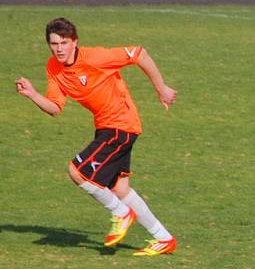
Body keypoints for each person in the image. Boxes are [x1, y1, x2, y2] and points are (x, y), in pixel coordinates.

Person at [15, 17, 177, 256]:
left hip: (120, 125)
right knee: (120, 189)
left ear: (74, 42)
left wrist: (161, 88)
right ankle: (163, 239)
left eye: (64, 42)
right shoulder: (54, 67)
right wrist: (32, 94)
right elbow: (55, 108)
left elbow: (139, 53)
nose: (59, 48)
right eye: (54, 43)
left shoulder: (95, 57)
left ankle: (121, 213)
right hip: (107, 127)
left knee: (77, 172)